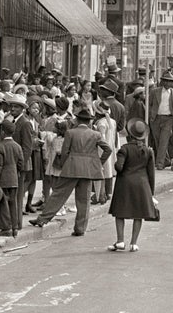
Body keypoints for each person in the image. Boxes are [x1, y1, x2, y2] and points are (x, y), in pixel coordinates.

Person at [31, 108, 112, 237]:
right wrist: (97, 163)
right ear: (89, 121)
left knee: (58, 194)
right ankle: (80, 228)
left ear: (77, 120)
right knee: (84, 200)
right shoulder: (95, 134)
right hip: (87, 170)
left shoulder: (70, 133)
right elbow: (108, 149)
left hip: (71, 167)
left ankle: (42, 219)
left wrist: (65, 164)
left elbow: (65, 152)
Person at [107, 119, 157, 252]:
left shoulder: (124, 149)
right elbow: (151, 174)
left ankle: (120, 241)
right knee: (138, 215)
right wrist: (151, 193)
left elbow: (119, 167)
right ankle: (134, 243)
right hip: (142, 185)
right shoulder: (148, 151)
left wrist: (116, 164)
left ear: (130, 134)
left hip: (125, 184)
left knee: (120, 212)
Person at [0, 120, 25, 238]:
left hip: (3, 181)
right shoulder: (17, 146)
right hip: (14, 179)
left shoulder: (0, 147)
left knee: (3, 205)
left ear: (2, 132)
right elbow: (21, 164)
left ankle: (6, 228)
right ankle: (14, 227)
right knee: (13, 203)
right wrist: (15, 172)